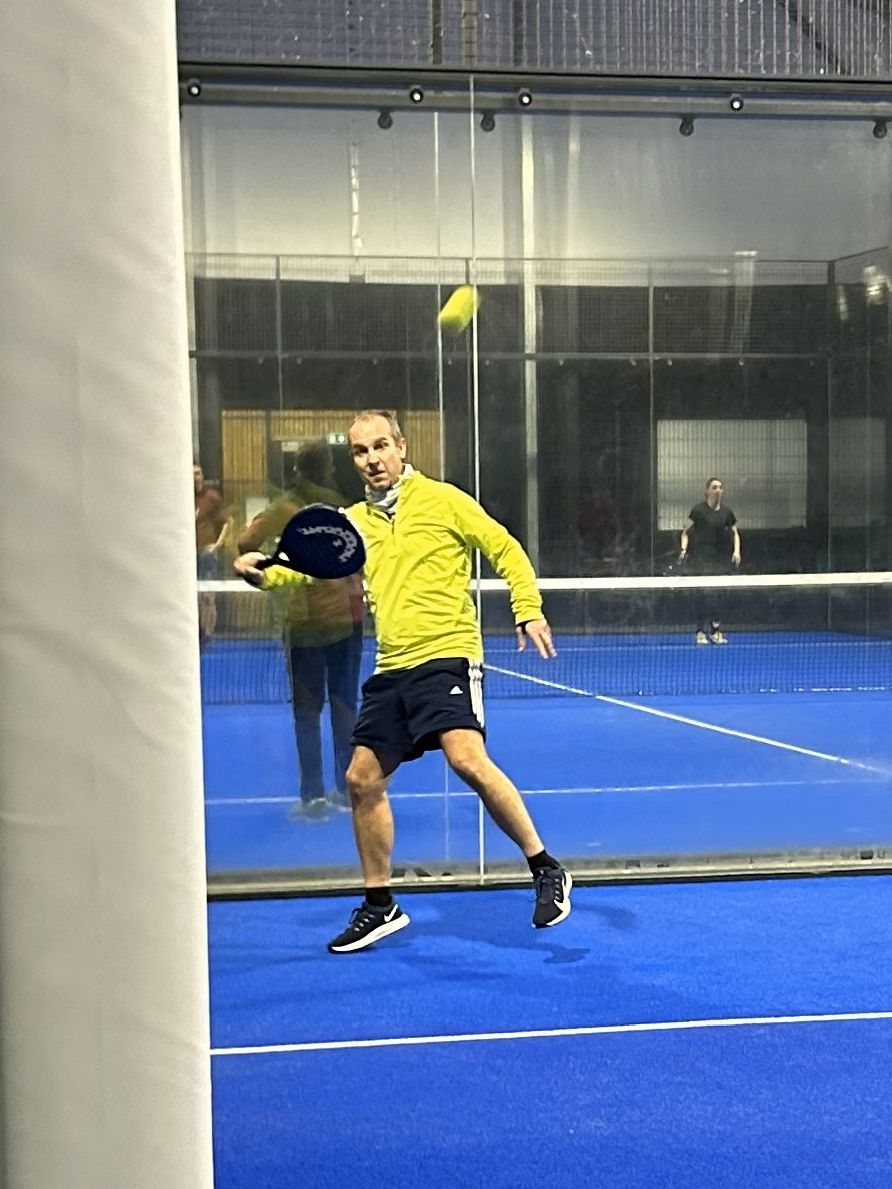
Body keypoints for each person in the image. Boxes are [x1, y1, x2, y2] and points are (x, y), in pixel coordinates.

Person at [234, 410, 572, 953]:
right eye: (360, 451)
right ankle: (380, 905)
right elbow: (307, 567)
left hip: (447, 655)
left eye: (380, 446)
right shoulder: (354, 524)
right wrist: (262, 573)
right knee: (361, 779)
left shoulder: (444, 500)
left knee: (466, 759)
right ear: (353, 460)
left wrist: (527, 608)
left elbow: (505, 548)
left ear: (402, 447)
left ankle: (546, 868)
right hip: (392, 666)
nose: (372, 459)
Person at [237, 441, 364, 818]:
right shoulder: (341, 507)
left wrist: (275, 559)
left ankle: (313, 797)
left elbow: (245, 544)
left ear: (296, 469)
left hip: (305, 624)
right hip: (346, 619)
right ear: (328, 468)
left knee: (307, 713)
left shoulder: (283, 508)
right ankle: (347, 791)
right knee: (344, 706)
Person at [679, 476, 742, 644]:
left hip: (720, 561)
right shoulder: (698, 511)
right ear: (707, 491)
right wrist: (683, 550)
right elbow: (685, 532)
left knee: (719, 597)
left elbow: (735, 533)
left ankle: (715, 631)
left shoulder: (727, 512)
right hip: (700, 560)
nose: (718, 490)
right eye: (714, 487)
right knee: (701, 596)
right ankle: (700, 632)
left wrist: (736, 551)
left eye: (720, 487)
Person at [194, 462, 232, 645]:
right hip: (186, 556)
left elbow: (227, 521)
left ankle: (207, 635)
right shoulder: (181, 497)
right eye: (192, 474)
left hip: (206, 553)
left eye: (198, 473)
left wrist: (217, 544)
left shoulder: (211, 497)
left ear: (202, 476)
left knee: (208, 595)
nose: (195, 477)